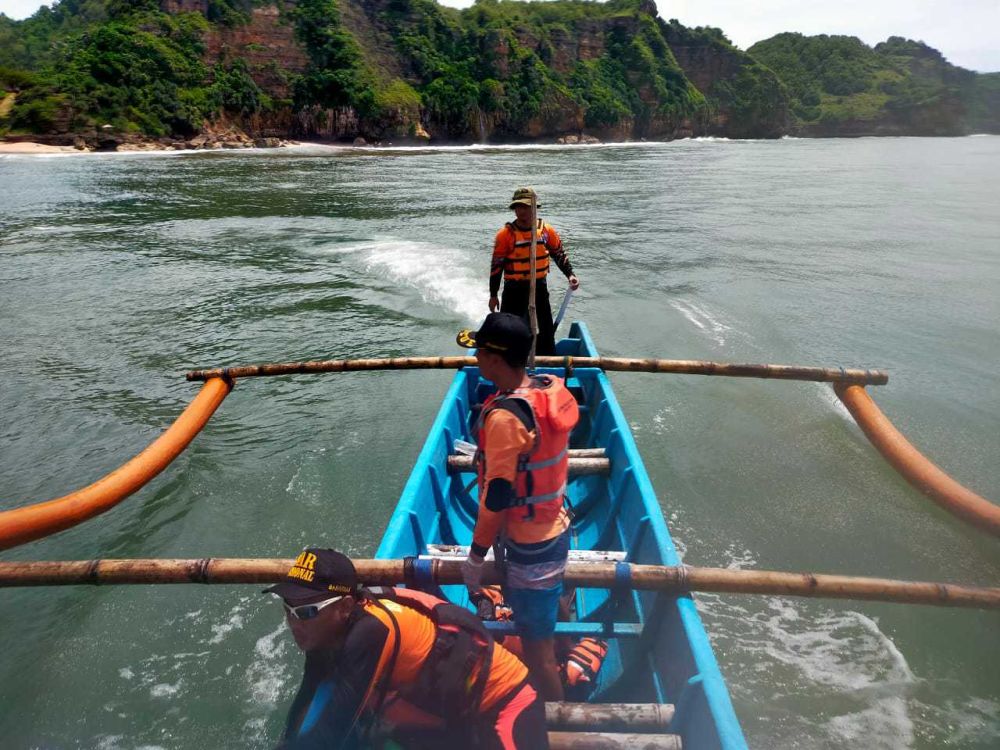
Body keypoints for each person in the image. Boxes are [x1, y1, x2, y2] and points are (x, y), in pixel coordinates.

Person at [267, 547, 549, 750]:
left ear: (345, 607)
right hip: (447, 714)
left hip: (505, 704)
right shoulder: (322, 633)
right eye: (287, 609)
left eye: (306, 612)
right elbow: (308, 693)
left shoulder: (370, 631)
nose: (294, 622)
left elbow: (332, 732)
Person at [456, 313, 580, 701]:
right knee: (550, 610)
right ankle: (566, 622)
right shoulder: (547, 389)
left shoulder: (506, 418)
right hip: (557, 528)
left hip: (530, 548)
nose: (475, 357)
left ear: (495, 360)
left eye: (478, 351)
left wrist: (475, 558)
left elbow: (496, 499)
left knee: (537, 649)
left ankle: (556, 714)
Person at [488, 187, 580, 356]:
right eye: (518, 207)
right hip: (514, 289)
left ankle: (548, 359)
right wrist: (493, 295)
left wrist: (570, 274)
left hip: (539, 287)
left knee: (545, 328)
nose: (521, 211)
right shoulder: (505, 235)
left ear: (534, 208)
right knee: (510, 330)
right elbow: (496, 267)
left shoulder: (546, 231)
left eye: (525, 206)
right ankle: (510, 361)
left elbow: (558, 253)